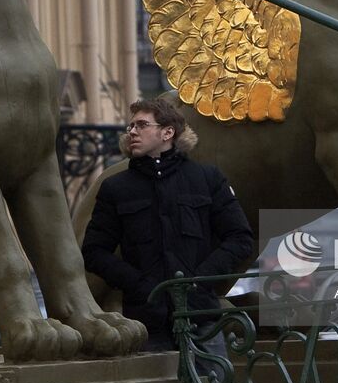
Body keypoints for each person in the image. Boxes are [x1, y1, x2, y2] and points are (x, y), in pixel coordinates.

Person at [82, 97, 255, 353]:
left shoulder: (207, 179)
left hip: (202, 316)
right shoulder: (116, 188)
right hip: (147, 322)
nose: (132, 131)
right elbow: (94, 252)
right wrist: (139, 284)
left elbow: (240, 239)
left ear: (168, 132)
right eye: (130, 126)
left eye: (141, 125)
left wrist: (201, 280)